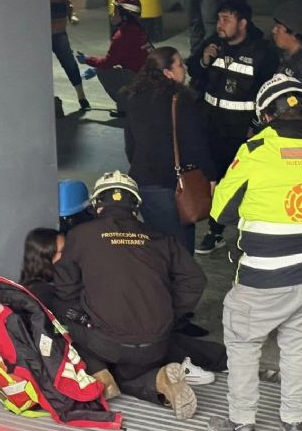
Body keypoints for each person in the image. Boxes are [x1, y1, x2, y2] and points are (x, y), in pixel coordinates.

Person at [206, 74, 302, 431]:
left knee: (243, 346)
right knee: (300, 349)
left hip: (262, 278)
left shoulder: (255, 152)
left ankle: (242, 422)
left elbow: (220, 210)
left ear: (265, 117)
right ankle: (293, 421)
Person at [53, 171, 226, 418]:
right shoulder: (161, 238)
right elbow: (194, 280)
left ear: (97, 206)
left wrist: (87, 309)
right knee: (130, 365)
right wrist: (168, 312)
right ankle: (159, 379)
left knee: (60, 309)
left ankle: (98, 372)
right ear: (136, 207)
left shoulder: (81, 235)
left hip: (105, 344)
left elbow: (64, 289)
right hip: (157, 343)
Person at [187, 0, 280, 255]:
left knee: (237, 183)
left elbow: (268, 95)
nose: (220, 24)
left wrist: (254, 126)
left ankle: (235, 230)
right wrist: (204, 61)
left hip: (240, 132)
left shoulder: (263, 53)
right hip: (210, 127)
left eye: (226, 19)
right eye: (218, 19)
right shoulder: (213, 45)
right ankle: (215, 231)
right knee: (212, 180)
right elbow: (193, 69)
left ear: (243, 23)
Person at [123, 47, 218, 255]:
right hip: (172, 186)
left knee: (157, 246)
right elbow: (196, 144)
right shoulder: (180, 100)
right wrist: (211, 177)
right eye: (180, 65)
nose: (184, 69)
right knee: (181, 250)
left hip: (142, 183)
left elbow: (130, 145)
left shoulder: (133, 98)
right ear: (167, 73)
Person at [17, 228, 122, 398]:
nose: (68, 257)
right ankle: (102, 379)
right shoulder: (41, 292)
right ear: (44, 257)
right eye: (62, 252)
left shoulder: (60, 282)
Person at [76, 0, 153, 117]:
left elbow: (107, 63)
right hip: (149, 79)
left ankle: (126, 107)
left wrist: (87, 60)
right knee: (111, 70)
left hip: (142, 81)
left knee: (103, 71)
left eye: (116, 11)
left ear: (124, 15)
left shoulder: (122, 35)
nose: (112, 14)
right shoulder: (137, 30)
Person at [49, 0, 89, 111]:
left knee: (69, 62)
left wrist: (70, 13)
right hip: (48, 31)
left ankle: (81, 96)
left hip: (58, 29)